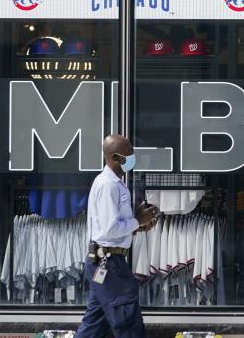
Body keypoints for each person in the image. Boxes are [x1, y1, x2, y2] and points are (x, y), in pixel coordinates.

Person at [76, 135, 158, 338]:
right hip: (109, 263)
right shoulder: (107, 185)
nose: (132, 157)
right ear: (114, 157)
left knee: (95, 323)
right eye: (128, 154)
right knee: (127, 321)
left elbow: (110, 227)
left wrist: (137, 227)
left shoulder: (115, 183)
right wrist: (138, 221)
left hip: (107, 261)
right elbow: (108, 230)